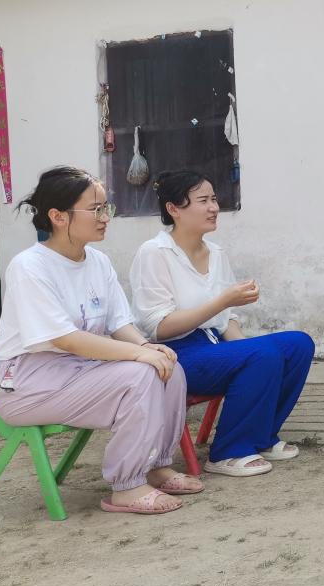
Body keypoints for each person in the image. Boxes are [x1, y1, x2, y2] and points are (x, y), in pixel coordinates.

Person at [0, 166, 200, 515]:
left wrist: (146, 348)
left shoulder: (98, 262)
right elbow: (66, 339)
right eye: (96, 209)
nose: (106, 217)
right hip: (26, 383)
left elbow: (119, 323)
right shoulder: (30, 266)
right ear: (58, 216)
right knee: (139, 376)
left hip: (77, 370)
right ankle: (127, 486)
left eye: (107, 207)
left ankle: (156, 465)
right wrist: (138, 356)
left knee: (168, 368)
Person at [130, 170, 314, 478]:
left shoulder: (216, 253)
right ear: (174, 209)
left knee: (297, 345)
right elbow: (158, 327)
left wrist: (246, 348)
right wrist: (223, 302)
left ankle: (262, 436)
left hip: (213, 345)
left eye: (214, 199)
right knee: (262, 354)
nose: (213, 207)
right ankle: (229, 451)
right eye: (203, 200)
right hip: (175, 353)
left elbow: (227, 320)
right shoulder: (155, 253)